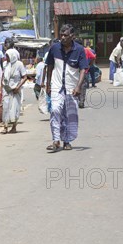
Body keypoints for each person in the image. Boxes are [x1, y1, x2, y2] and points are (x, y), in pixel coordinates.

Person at [45, 24, 89, 152]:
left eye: (65, 35)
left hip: (71, 88)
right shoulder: (54, 48)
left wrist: (78, 86)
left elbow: (83, 69)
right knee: (55, 110)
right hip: (56, 86)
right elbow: (49, 67)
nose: (62, 38)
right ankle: (55, 140)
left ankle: (67, 141)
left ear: (72, 36)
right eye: (61, 35)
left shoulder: (79, 50)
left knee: (69, 115)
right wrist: (48, 85)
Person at [1, 48, 27, 134]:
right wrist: (2, 87)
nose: (6, 58)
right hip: (7, 89)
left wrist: (18, 87)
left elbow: (24, 77)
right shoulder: (5, 64)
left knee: (14, 108)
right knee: (5, 107)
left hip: (16, 90)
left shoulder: (19, 64)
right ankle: (5, 126)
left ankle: (14, 126)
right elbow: (3, 76)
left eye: (8, 56)